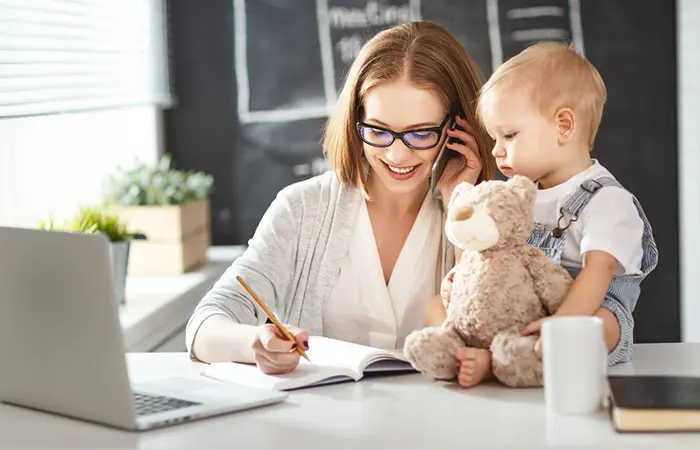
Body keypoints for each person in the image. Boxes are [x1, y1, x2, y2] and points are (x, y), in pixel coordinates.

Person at [185, 21, 496, 375]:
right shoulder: (303, 209)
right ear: (356, 121)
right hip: (321, 425)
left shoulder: (482, 216)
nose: (397, 155)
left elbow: (487, 337)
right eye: (378, 131)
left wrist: (462, 202)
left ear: (457, 129)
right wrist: (254, 342)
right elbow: (204, 327)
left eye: (420, 134)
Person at [440, 41, 659, 387]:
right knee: (443, 306)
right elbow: (492, 252)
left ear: (563, 126)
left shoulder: (607, 200)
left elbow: (598, 272)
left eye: (509, 135)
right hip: (526, 311)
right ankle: (502, 357)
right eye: (494, 138)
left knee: (603, 325)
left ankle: (503, 360)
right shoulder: (518, 197)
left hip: (585, 312)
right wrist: (465, 275)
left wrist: (562, 326)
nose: (496, 151)